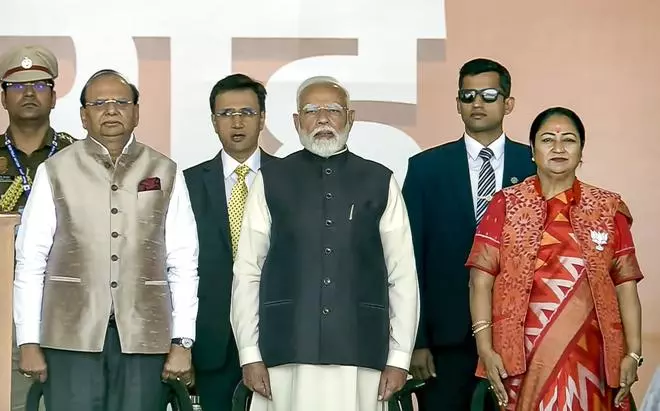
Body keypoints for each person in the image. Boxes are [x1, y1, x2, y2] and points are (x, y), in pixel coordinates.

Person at [13, 69, 199, 411]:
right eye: (99, 103)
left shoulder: (165, 170)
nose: (111, 110)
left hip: (146, 338)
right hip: (69, 338)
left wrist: (182, 340)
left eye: (121, 102)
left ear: (137, 112)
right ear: (83, 115)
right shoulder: (55, 171)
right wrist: (27, 339)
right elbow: (30, 260)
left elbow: (184, 261)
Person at [230, 76, 419, 411]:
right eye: (311, 110)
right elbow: (248, 270)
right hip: (285, 348)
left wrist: (400, 356)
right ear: (295, 121)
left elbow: (401, 273)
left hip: (360, 347)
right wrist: (249, 353)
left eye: (333, 110)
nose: (322, 119)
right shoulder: (271, 180)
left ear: (350, 117)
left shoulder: (379, 180)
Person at [466, 107, 643, 410]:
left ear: (581, 151)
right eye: (548, 140)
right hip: (521, 360)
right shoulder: (506, 203)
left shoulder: (608, 208)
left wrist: (633, 354)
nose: (559, 148)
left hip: (592, 359)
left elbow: (625, 286)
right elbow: (480, 281)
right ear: (533, 151)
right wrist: (485, 348)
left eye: (569, 140)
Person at [401, 58, 536, 410]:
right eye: (468, 95)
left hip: (521, 339)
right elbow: (408, 259)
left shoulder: (534, 166)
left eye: (489, 95)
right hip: (445, 343)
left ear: (508, 104)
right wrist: (416, 341)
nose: (477, 103)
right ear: (458, 103)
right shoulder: (426, 169)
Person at [184, 73, 277, 410]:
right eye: (226, 114)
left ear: (263, 118)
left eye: (247, 113)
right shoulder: (186, 184)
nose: (237, 122)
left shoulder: (291, 179)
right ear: (213, 121)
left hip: (278, 341)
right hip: (211, 345)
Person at [0, 44, 75, 411]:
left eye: (40, 85)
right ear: (3, 98)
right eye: (17, 86)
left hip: (71, 303)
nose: (28, 93)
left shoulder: (79, 157)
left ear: (54, 96)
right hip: (3, 307)